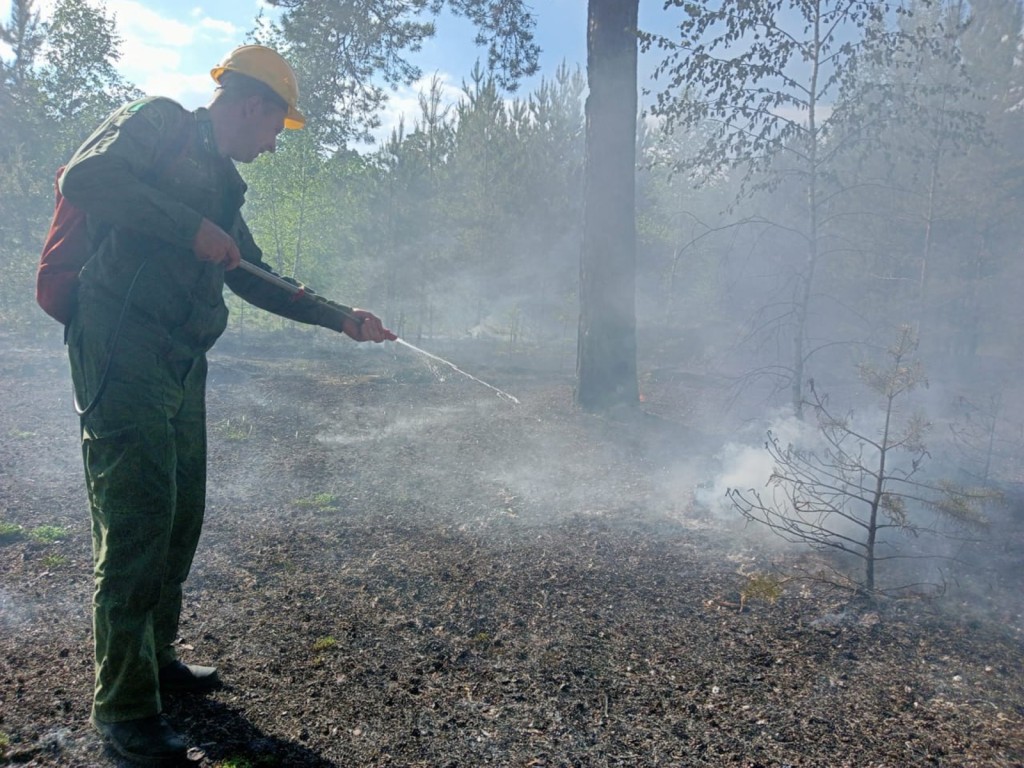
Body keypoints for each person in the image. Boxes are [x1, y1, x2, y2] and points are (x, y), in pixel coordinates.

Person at [59, 44, 395, 765]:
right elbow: (85, 178)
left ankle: (157, 659)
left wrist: (342, 317)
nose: (274, 145)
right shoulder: (156, 124)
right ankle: (124, 711)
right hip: (121, 346)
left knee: (181, 512)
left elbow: (250, 274)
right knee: (139, 516)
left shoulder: (220, 182)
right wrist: (187, 227)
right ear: (253, 108)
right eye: (277, 128)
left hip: (181, 360)